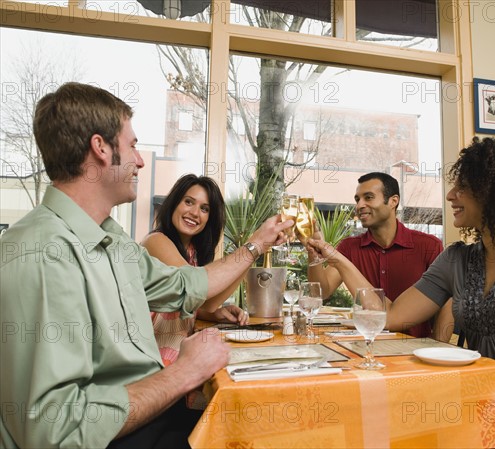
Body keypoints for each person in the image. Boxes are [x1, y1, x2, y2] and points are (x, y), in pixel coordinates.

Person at [0, 82, 291, 449]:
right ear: (100, 148)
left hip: (146, 413)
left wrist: (256, 245)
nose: (139, 160)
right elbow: (56, 432)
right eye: (133, 145)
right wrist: (185, 372)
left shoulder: (111, 238)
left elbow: (184, 287)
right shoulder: (42, 254)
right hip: (116, 435)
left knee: (267, 420)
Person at [308, 137, 495, 449]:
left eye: (462, 187)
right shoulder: (457, 258)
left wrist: (486, 412)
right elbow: (390, 316)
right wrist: (336, 257)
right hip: (476, 400)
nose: (450, 195)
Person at [140, 174, 247, 406]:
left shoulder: (193, 252)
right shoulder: (156, 242)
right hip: (153, 371)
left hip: (178, 363)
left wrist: (214, 313)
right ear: (174, 203)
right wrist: (252, 249)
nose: (194, 213)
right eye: (188, 202)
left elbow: (204, 302)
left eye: (204, 208)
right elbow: (196, 287)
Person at [307, 171, 452, 340]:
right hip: (365, 344)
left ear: (393, 201)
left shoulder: (428, 245)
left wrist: (438, 347)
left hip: (414, 350)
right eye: (357, 199)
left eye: (368, 197)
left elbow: (446, 304)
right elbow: (321, 292)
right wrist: (313, 252)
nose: (360, 205)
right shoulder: (349, 247)